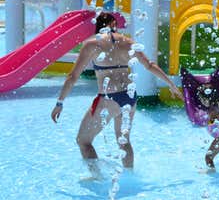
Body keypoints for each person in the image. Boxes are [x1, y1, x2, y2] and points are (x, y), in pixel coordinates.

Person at [51, 12, 183, 169]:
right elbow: (149, 65)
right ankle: (129, 177)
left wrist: (60, 102)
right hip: (129, 97)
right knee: (124, 141)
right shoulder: (128, 42)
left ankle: (97, 179)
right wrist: (171, 84)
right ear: (114, 24)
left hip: (109, 98)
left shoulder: (92, 44)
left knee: (83, 141)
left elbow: (72, 76)